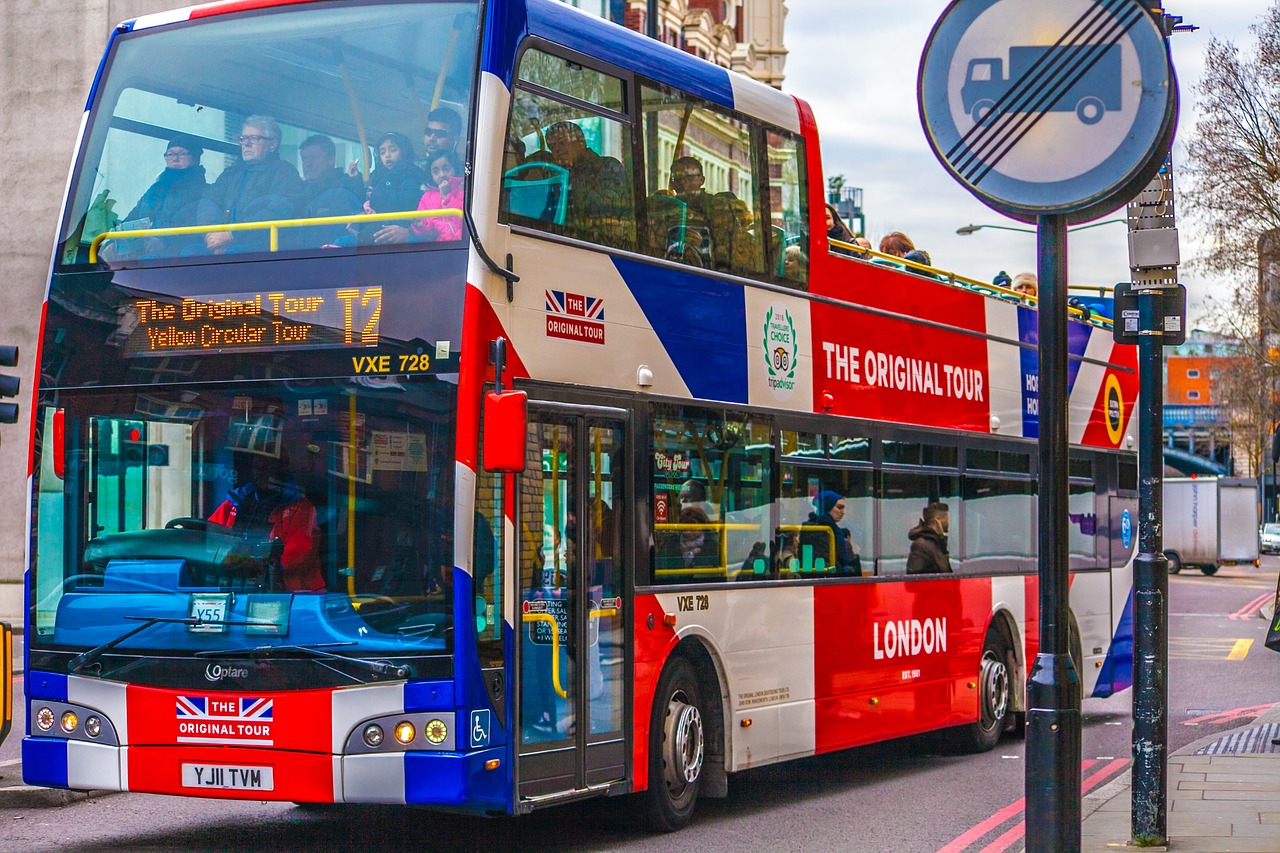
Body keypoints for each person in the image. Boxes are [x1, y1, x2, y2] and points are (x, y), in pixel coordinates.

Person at [208, 452, 324, 592]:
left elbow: (299, 553)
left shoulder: (300, 507)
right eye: (258, 467)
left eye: (268, 467)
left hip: (290, 592)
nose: (261, 473)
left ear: (281, 469)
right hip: (236, 586)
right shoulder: (234, 502)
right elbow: (209, 540)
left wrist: (257, 564)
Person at [202, 116, 306, 254]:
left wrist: (232, 235)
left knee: (235, 254)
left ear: (272, 145)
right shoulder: (231, 173)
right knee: (191, 252)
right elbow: (209, 202)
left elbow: (278, 210)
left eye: (254, 138)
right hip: (222, 242)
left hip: (262, 248)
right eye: (243, 139)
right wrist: (213, 235)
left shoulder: (285, 173)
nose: (246, 143)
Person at [111, 134, 216, 258]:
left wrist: (164, 243)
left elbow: (197, 231)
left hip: (174, 260)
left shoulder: (207, 192)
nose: (175, 159)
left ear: (195, 159)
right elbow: (132, 219)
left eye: (182, 154)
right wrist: (113, 243)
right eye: (170, 154)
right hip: (140, 254)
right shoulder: (155, 189)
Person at [544, 120, 633, 249]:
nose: (557, 149)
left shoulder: (608, 167)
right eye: (552, 147)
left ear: (581, 142)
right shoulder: (558, 178)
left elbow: (605, 213)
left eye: (562, 142)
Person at [357, 131, 428, 246]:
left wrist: (377, 196)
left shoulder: (412, 172)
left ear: (404, 151)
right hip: (378, 226)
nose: (387, 155)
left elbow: (407, 202)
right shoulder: (377, 176)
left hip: (399, 228)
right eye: (382, 152)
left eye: (393, 150)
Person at [297, 134, 362, 246]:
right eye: (304, 159)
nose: (307, 164)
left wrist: (355, 181)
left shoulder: (345, 188)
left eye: (313, 158)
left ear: (331, 160)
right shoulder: (298, 191)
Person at [800, 491, 861, 576]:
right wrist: (848, 547)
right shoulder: (823, 531)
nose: (843, 512)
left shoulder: (829, 529)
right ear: (828, 508)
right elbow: (827, 562)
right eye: (839, 507)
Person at [906, 501, 953, 575]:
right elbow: (914, 580)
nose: (948, 522)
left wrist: (942, 539)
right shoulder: (920, 545)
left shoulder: (938, 544)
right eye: (947, 519)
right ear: (938, 520)